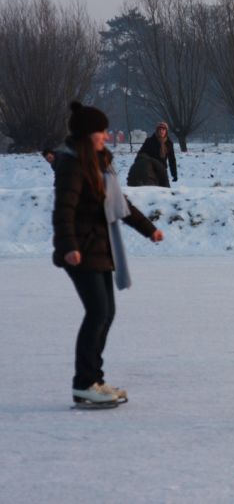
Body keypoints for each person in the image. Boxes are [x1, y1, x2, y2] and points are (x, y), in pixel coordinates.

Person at [53, 101, 164, 408]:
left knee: (106, 313)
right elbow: (63, 210)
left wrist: (149, 229)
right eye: (99, 131)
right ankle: (84, 384)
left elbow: (120, 204)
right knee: (97, 313)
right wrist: (69, 247)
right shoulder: (73, 165)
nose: (105, 135)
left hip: (100, 249)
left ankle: (94, 380)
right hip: (81, 251)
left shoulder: (100, 164)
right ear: (85, 134)